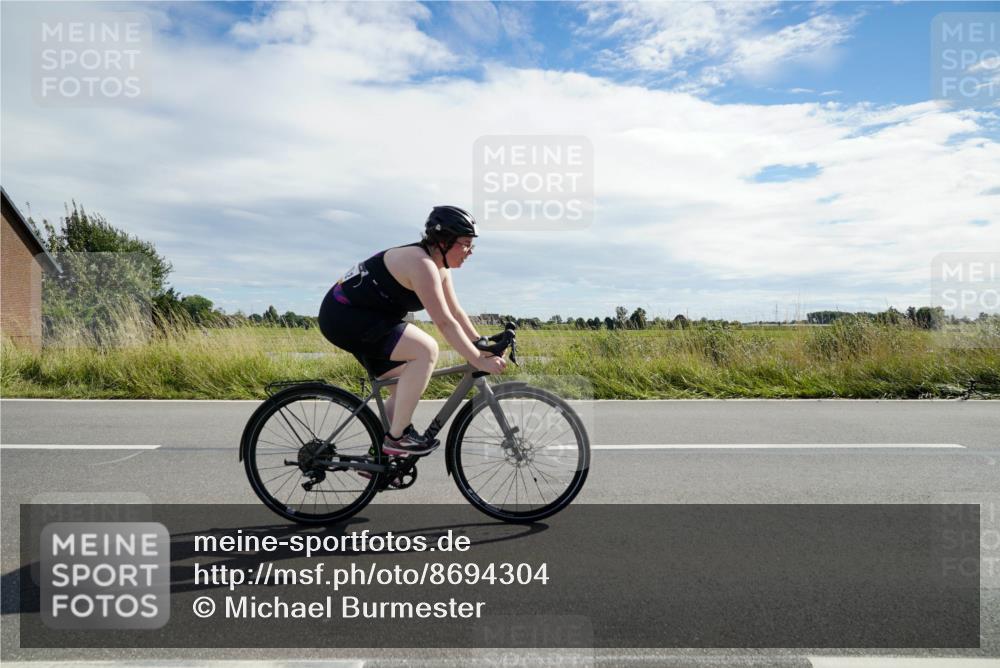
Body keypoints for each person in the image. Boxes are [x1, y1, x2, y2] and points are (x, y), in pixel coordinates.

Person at [318, 205, 506, 457]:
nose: (470, 251)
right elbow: (444, 323)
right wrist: (476, 359)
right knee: (426, 349)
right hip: (344, 317)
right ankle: (397, 440)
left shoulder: (439, 269)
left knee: (406, 387)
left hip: (368, 319)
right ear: (443, 240)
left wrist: (481, 345)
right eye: (465, 244)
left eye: (473, 245)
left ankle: (383, 459)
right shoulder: (421, 264)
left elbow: (457, 314)